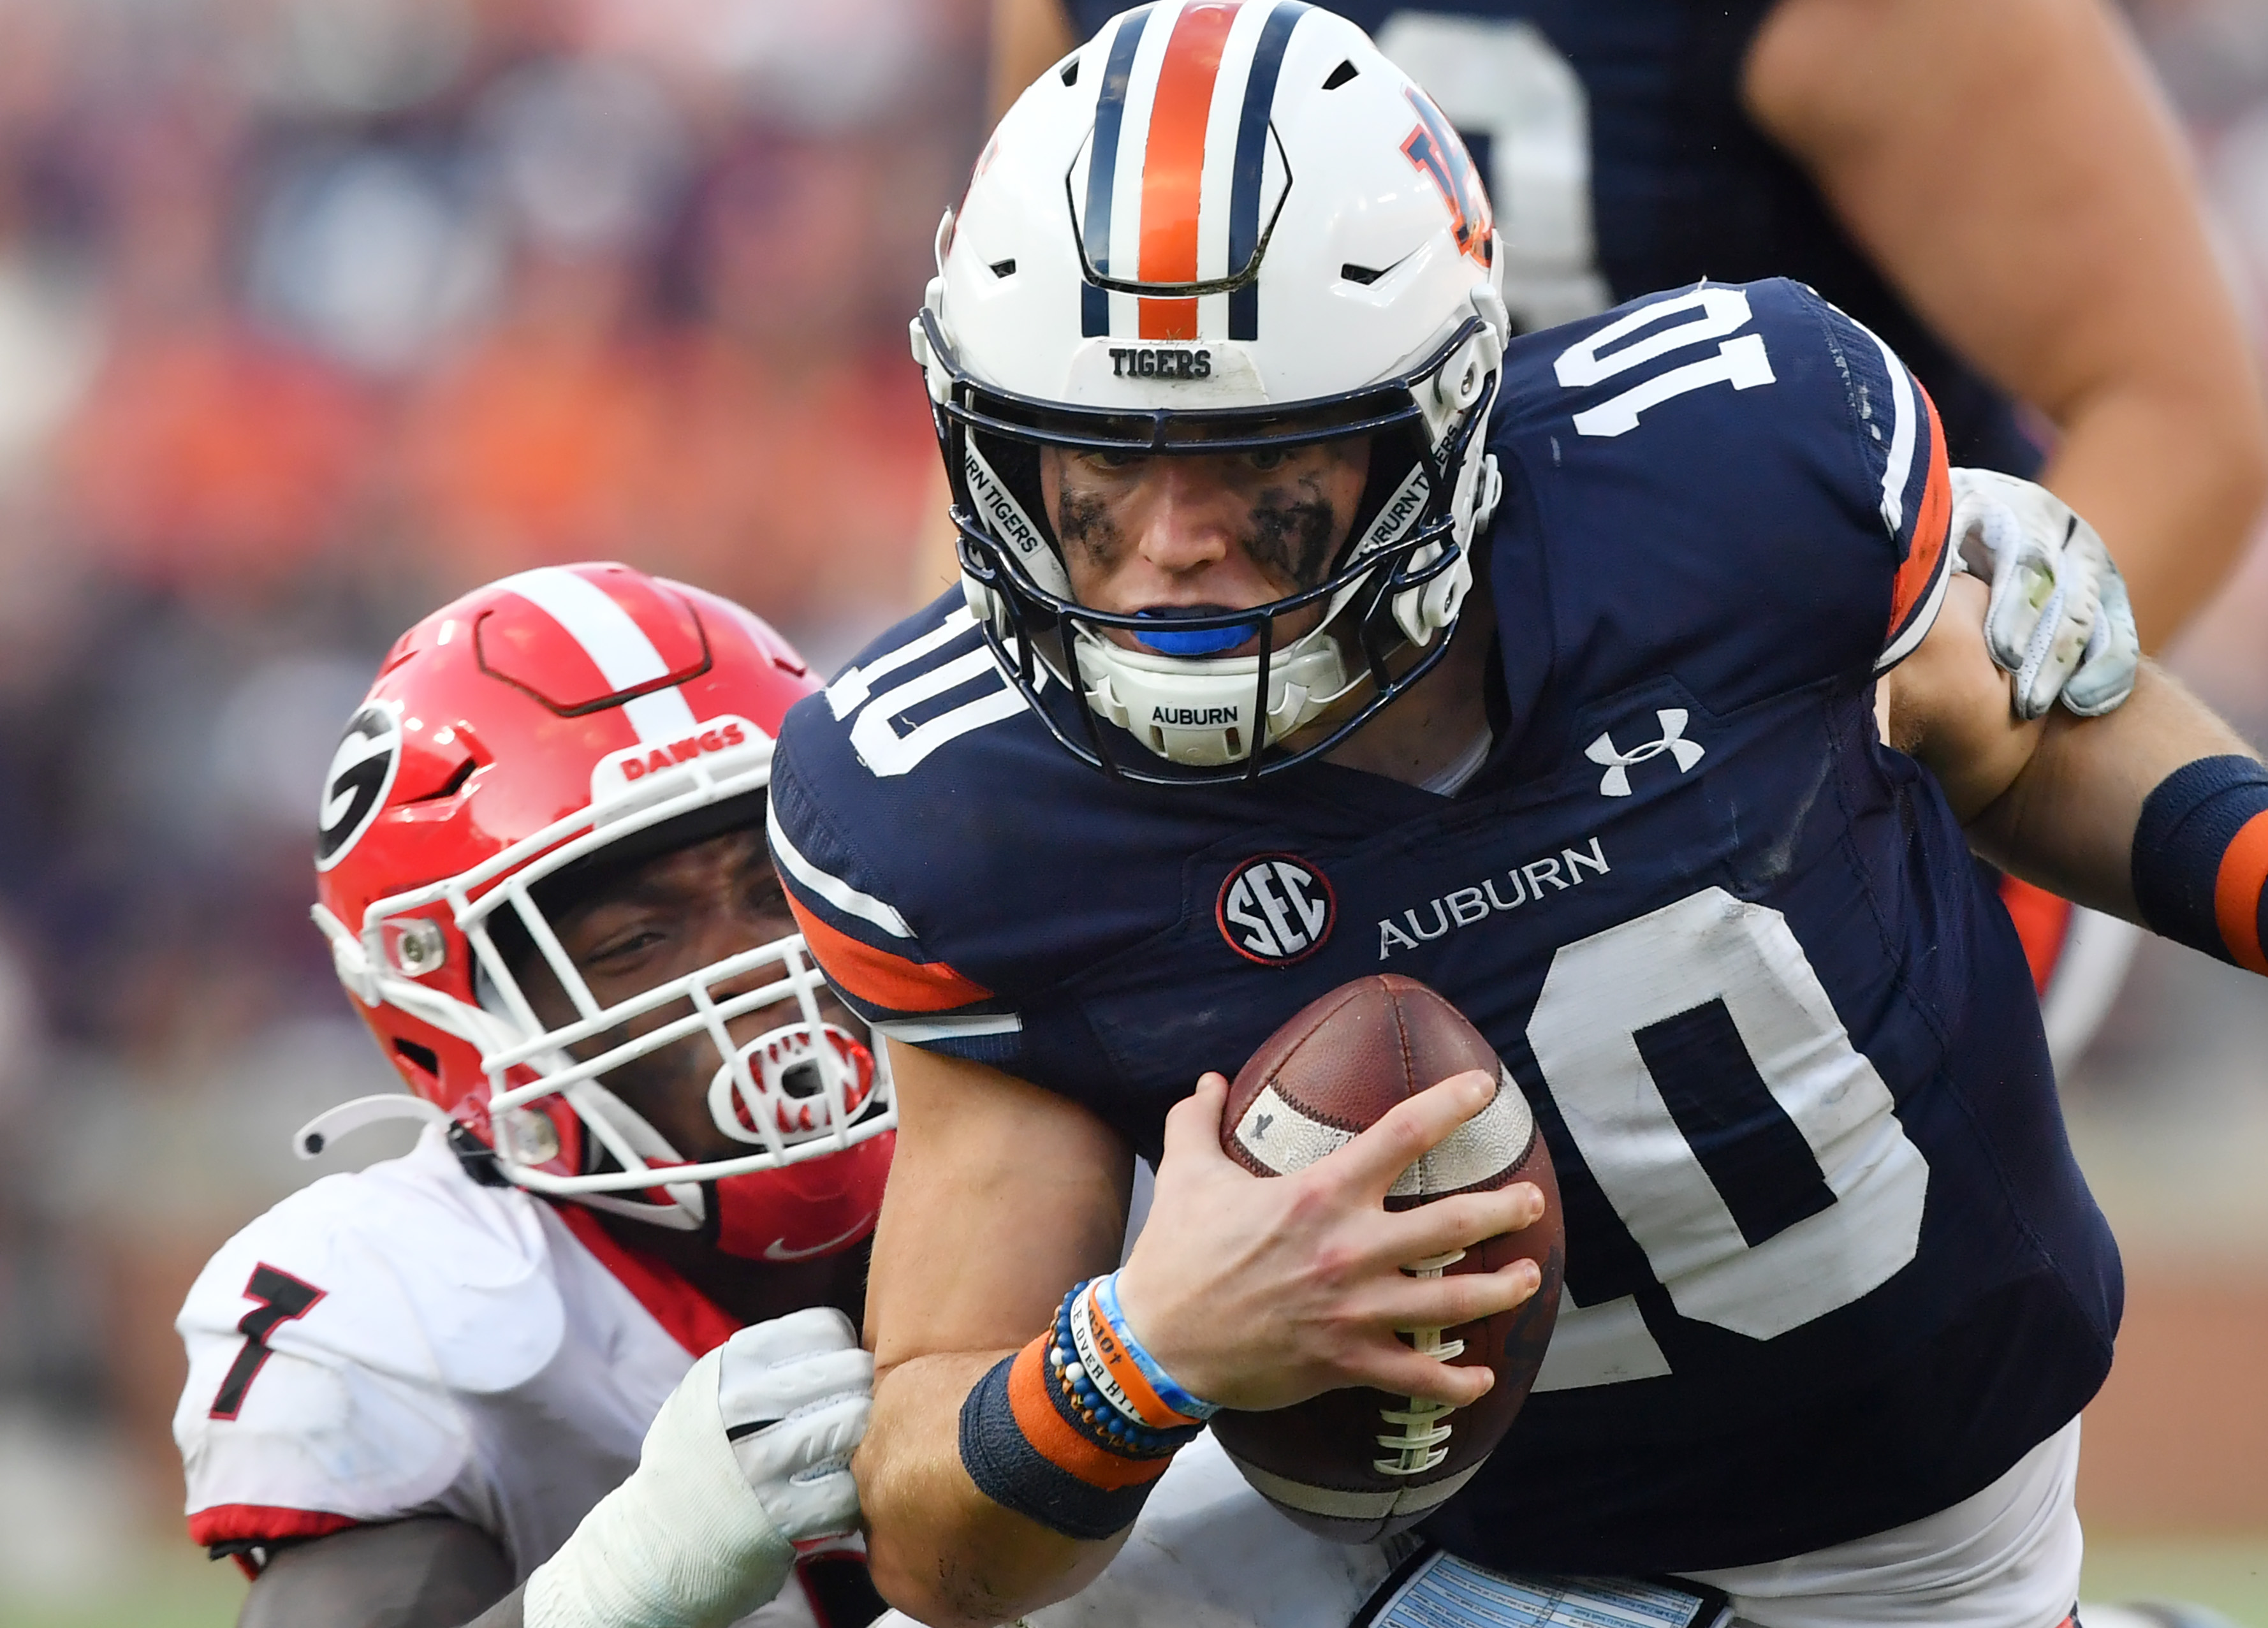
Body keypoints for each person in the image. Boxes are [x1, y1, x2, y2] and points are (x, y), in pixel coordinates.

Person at [768, 12, 2268, 1627]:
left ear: (1438, 421)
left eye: (1253, 460)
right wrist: (1141, 1347)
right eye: (1090, 468)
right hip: (1439, 1528)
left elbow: (2016, 735)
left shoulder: (1726, 484)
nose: (1168, 550)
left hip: (1907, 1534)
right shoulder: (971, 810)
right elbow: (937, 1532)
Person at [973, 0, 2268, 1067]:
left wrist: (1909, 718)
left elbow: (2178, 409)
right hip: (1312, 729)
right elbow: (1022, 384)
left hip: (1781, 722)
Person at [172, 563, 896, 1628]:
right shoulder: (416, 1300)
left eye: (776, 889)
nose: (754, 970)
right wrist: (618, 1588)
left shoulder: (1112, 1146)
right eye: (639, 940)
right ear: (453, 1011)